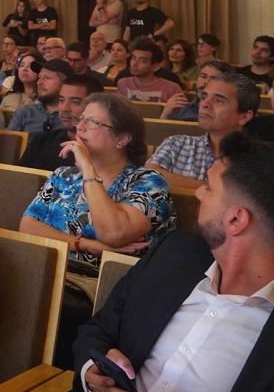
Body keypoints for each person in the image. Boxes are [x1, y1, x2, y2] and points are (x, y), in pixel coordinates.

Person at [73, 135, 274, 392]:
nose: (197, 193)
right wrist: (92, 372)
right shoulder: (172, 254)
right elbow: (99, 329)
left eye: (208, 187)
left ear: (235, 219)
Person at [19, 92, 174, 367]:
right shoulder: (64, 176)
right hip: (54, 272)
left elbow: (114, 233)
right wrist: (88, 245)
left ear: (122, 138)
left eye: (93, 122)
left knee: (40, 302)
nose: (79, 127)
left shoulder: (148, 183)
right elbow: (28, 226)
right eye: (81, 120)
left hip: (107, 291)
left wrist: (89, 168)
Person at [148, 73, 258, 190]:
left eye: (218, 100)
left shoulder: (257, 159)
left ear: (244, 117)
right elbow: (147, 177)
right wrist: (212, 189)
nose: (204, 104)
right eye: (204, 97)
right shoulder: (177, 143)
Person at [18, 76, 104, 172]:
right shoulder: (42, 141)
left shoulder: (103, 150)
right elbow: (20, 180)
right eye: (61, 100)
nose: (64, 108)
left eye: (75, 102)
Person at [8, 58, 70, 136]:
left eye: (47, 78)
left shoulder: (73, 116)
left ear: (65, 83)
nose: (39, 82)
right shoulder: (25, 112)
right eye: (39, 77)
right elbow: (10, 145)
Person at [160, 59, 233, 122]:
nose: (206, 82)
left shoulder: (229, 113)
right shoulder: (180, 107)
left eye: (214, 78)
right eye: (203, 76)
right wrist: (165, 114)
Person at [116, 39, 183, 102]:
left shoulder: (172, 88)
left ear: (155, 66)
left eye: (143, 61)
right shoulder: (123, 83)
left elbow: (185, 113)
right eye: (133, 58)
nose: (134, 64)